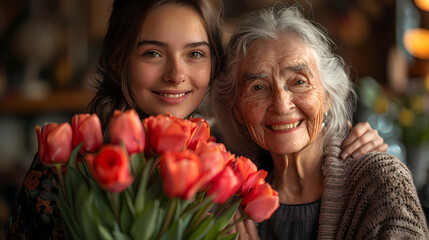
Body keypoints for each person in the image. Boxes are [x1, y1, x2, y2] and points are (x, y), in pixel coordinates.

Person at [5, 1, 387, 239]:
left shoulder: (223, 158)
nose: (176, 75)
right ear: (120, 60)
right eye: (153, 54)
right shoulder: (71, 159)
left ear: (213, 67)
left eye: (195, 54)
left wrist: (365, 146)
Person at [208, 6, 429, 240]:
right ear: (239, 110)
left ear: (328, 96)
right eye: (259, 87)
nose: (282, 105)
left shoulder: (381, 184)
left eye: (299, 81)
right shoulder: (229, 201)